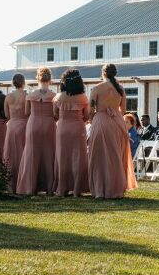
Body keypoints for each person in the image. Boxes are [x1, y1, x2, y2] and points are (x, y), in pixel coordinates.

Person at [87, 64, 137, 199]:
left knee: (99, 156)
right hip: (117, 122)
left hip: (101, 121)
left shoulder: (96, 88)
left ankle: (100, 190)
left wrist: (93, 120)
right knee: (116, 156)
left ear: (103, 73)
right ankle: (116, 188)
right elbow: (123, 110)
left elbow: (91, 110)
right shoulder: (120, 89)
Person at [16, 67, 58, 196]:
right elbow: (55, 114)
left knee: (31, 155)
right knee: (49, 154)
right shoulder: (54, 96)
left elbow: (26, 112)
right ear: (50, 79)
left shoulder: (31, 95)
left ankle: (30, 187)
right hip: (49, 125)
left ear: (37, 78)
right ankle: (50, 188)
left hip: (33, 124)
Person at [53, 69, 90, 197]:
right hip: (78, 128)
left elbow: (55, 115)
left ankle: (62, 188)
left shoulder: (59, 97)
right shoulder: (83, 97)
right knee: (78, 158)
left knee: (62, 157)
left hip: (62, 128)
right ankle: (76, 189)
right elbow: (87, 116)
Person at [3, 73, 28, 193]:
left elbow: (6, 115)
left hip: (12, 126)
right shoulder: (27, 96)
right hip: (24, 125)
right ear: (23, 82)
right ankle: (23, 183)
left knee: (11, 154)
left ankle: (10, 185)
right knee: (23, 153)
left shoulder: (8, 97)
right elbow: (28, 113)